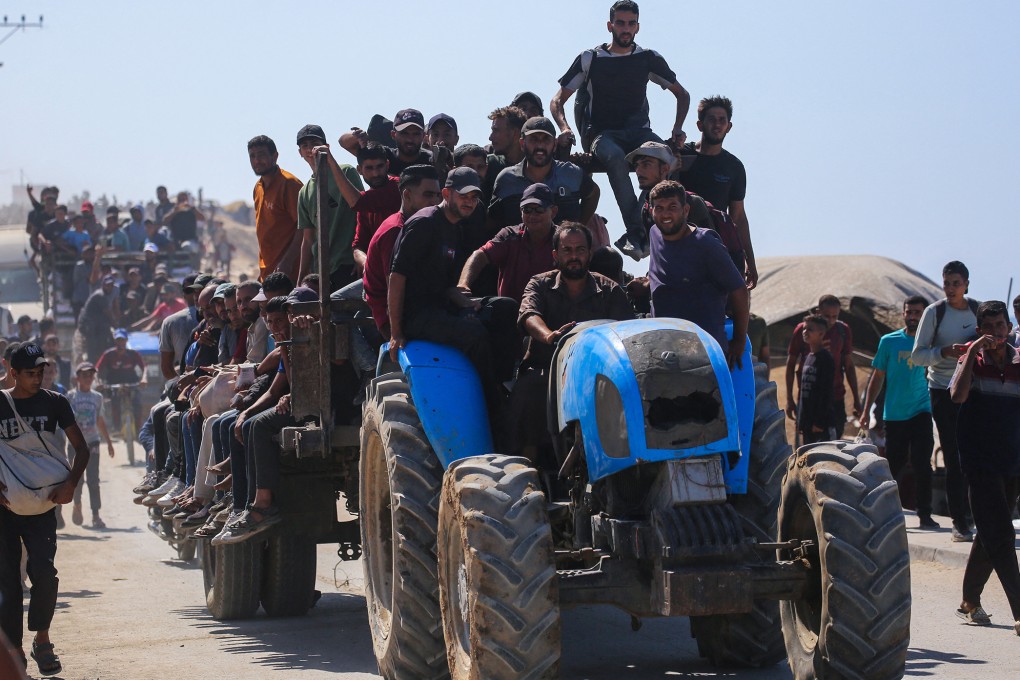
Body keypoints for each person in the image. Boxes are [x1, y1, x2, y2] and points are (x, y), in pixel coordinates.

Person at [550, 0, 690, 260]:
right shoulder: (591, 58)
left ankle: (647, 227)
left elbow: (682, 94)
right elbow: (558, 99)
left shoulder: (647, 58)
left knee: (667, 157)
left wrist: (677, 129)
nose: (626, 29)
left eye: (631, 23)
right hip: (602, 134)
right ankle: (635, 231)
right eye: (621, 23)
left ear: (637, 27)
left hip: (639, 132)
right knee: (614, 157)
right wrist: (565, 127)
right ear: (610, 25)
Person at [388, 167, 518, 409]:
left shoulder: (456, 227)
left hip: (441, 307)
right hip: (416, 315)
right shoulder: (424, 223)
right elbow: (396, 277)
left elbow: (445, 284)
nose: (469, 202)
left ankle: (504, 386)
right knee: (474, 333)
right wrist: (396, 333)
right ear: (446, 193)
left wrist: (465, 301)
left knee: (505, 308)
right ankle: (491, 406)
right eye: (463, 195)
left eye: (474, 197)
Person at [0, 342, 92, 675]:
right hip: (6, 507)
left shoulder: (55, 403)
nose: (37, 378)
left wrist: (71, 483)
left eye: (40, 372)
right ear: (13, 373)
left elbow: (81, 449)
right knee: (8, 582)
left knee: (45, 575)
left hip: (43, 506)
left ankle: (42, 640)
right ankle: (14, 655)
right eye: (29, 373)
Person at [515, 222, 634, 458]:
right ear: (555, 255)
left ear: (589, 254)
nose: (574, 257)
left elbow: (626, 332)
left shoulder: (609, 289)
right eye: (567, 250)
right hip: (547, 371)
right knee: (527, 392)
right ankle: (530, 468)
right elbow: (529, 314)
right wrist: (548, 335)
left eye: (580, 250)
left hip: (596, 376)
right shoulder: (539, 283)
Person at [948, 300, 1020, 635]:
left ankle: (969, 601)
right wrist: (972, 353)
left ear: (1009, 327)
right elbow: (957, 396)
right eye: (989, 328)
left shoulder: (1019, 362)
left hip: (1012, 460)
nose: (996, 333)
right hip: (979, 461)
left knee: (991, 531)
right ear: (980, 331)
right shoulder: (971, 360)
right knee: (1002, 534)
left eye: (1001, 326)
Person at [646, 181, 749, 367]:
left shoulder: (706, 244)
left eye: (672, 207)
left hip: (703, 352)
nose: (665, 214)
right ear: (651, 211)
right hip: (664, 347)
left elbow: (739, 290)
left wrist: (740, 341)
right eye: (659, 208)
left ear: (685, 210)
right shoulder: (655, 233)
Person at [911, 260, 979, 542]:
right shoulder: (934, 312)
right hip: (942, 389)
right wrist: (945, 352)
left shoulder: (978, 310)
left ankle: (977, 516)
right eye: (946, 283)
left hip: (975, 390)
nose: (951, 288)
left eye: (956, 283)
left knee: (976, 456)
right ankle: (959, 522)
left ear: (966, 284)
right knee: (953, 455)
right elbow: (918, 356)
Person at [860, 296, 938, 527]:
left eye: (917, 313)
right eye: (909, 312)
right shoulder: (889, 341)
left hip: (922, 410)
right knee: (894, 465)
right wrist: (866, 411)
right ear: (903, 313)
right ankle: (888, 514)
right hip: (894, 414)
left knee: (923, 463)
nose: (913, 317)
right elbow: (877, 378)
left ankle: (925, 514)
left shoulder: (930, 343)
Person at [672, 95, 757, 287]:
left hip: (716, 246)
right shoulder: (679, 154)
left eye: (722, 120)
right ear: (700, 125)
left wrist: (750, 261)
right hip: (677, 243)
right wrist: (670, 165)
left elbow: (738, 216)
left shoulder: (734, 167)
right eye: (711, 119)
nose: (717, 125)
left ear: (729, 126)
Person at [362, 165, 442, 334]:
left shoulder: (421, 225)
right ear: (407, 195)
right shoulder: (396, 231)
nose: (435, 202)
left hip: (417, 308)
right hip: (393, 319)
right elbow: (394, 287)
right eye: (428, 195)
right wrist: (396, 334)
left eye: (437, 195)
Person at [458, 183, 557, 304]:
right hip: (511, 315)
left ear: (553, 212)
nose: (532, 215)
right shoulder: (509, 235)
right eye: (527, 209)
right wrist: (463, 284)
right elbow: (480, 255)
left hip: (551, 313)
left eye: (539, 209)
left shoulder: (564, 240)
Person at [294, 124, 364, 291]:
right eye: (305, 145)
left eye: (315, 143)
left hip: (349, 263)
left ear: (326, 146)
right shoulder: (304, 192)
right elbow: (308, 239)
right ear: (300, 153)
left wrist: (362, 255)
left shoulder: (346, 172)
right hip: (322, 270)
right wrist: (301, 278)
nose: (311, 149)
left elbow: (364, 212)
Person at [315, 141, 400, 277]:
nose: (376, 173)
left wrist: (330, 160)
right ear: (359, 170)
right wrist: (366, 263)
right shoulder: (366, 204)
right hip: (377, 272)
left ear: (387, 165)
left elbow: (356, 202)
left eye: (380, 167)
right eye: (369, 168)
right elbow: (358, 246)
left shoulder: (397, 187)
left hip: (398, 269)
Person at [785, 294, 861, 438]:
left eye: (835, 316)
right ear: (818, 311)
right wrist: (790, 398)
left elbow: (849, 367)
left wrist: (857, 400)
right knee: (808, 448)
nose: (831, 321)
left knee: (832, 445)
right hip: (808, 399)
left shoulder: (842, 331)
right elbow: (790, 366)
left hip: (835, 398)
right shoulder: (805, 331)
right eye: (827, 316)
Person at [489, 117, 586, 228]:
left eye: (546, 140)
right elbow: (493, 221)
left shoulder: (572, 173)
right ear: (522, 143)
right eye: (533, 139)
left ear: (554, 144)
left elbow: (593, 194)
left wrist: (580, 227)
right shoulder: (506, 179)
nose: (540, 146)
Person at [66, 362, 115, 528]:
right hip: (75, 444)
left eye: (91, 375)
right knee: (77, 479)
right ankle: (77, 505)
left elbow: (100, 420)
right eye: (84, 375)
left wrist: (109, 442)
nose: (88, 378)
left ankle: (96, 514)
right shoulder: (70, 397)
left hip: (92, 442)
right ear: (77, 377)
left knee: (94, 480)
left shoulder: (97, 397)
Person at [249, 134, 304, 281]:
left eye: (261, 155)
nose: (256, 160)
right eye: (252, 156)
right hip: (267, 272)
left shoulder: (289, 184)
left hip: (290, 272)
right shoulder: (258, 188)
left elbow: (305, 227)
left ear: (275, 156)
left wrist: (288, 261)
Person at [794, 314, 836, 444]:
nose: (805, 332)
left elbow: (826, 392)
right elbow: (804, 392)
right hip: (807, 424)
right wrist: (801, 421)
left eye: (810, 329)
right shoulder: (808, 357)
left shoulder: (825, 359)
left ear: (821, 333)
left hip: (819, 426)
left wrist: (819, 422)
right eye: (804, 329)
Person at [96, 329, 147, 434]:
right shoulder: (108, 354)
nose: (121, 343)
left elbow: (144, 367)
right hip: (113, 384)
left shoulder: (133, 354)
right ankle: (116, 428)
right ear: (115, 341)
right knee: (114, 402)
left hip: (132, 383)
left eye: (122, 340)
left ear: (126, 340)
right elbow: (97, 370)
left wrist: (144, 378)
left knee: (137, 403)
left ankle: (139, 430)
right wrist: (98, 382)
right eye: (118, 340)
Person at [76, 276, 116, 362]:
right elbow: (108, 314)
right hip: (88, 324)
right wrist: (117, 325)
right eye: (107, 285)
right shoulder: (100, 295)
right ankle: (92, 362)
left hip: (95, 323)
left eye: (111, 285)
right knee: (93, 346)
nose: (109, 287)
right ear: (103, 285)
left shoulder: (104, 295)